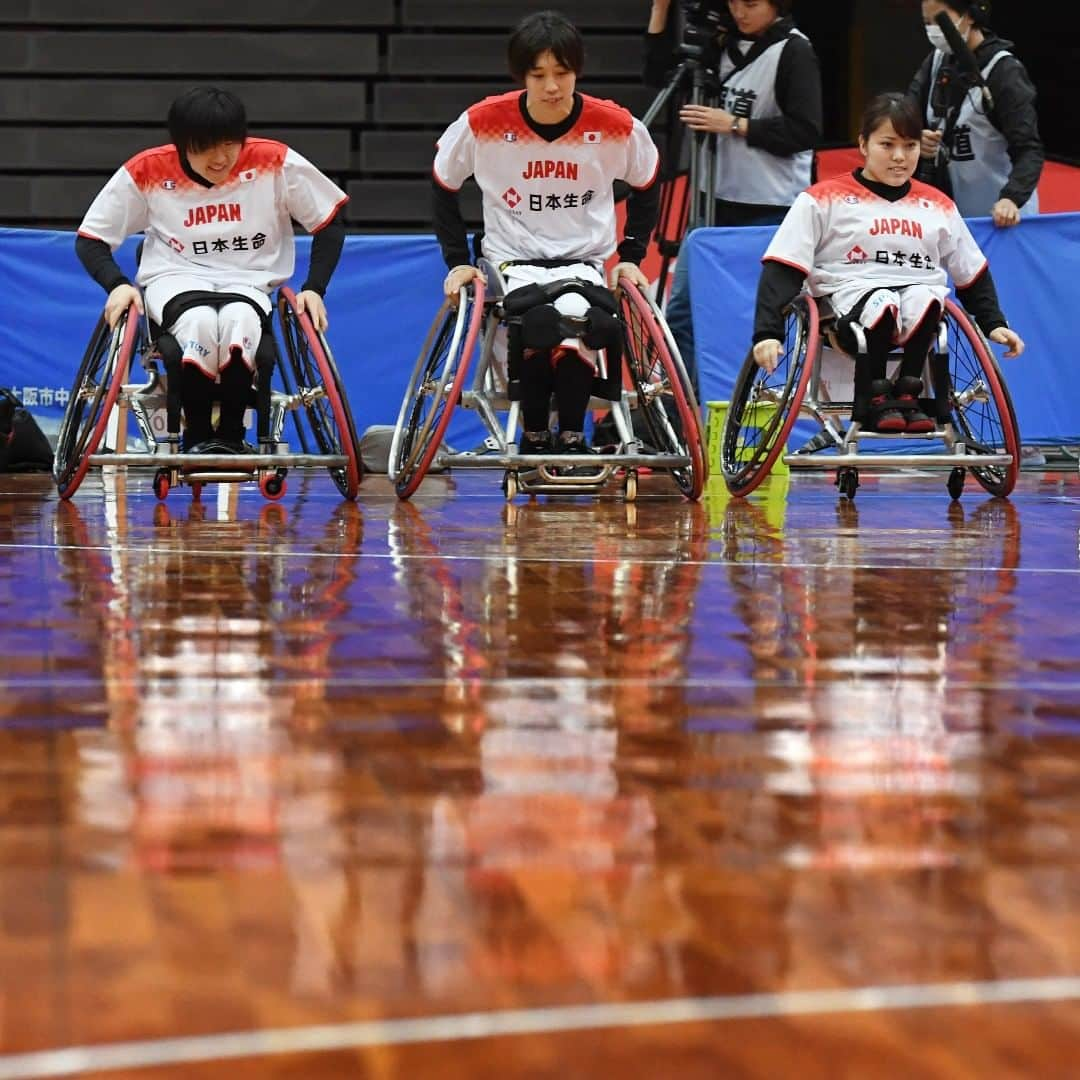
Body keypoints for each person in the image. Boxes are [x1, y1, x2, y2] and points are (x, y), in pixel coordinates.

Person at [432, 10, 659, 461]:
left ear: (578, 70)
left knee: (582, 324)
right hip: (512, 262)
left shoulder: (615, 125)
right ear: (522, 76)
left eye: (563, 72)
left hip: (582, 263)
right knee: (536, 325)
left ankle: (572, 438)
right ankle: (534, 435)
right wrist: (458, 261)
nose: (552, 86)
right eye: (539, 75)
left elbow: (648, 183)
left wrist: (632, 254)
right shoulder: (482, 122)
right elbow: (443, 186)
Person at [75, 86, 348, 452]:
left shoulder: (275, 162)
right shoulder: (147, 170)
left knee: (240, 322)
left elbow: (329, 222)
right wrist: (117, 284)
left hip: (247, 281)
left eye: (230, 144)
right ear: (183, 144)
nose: (221, 158)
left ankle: (232, 437)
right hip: (174, 278)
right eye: (206, 147)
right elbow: (91, 238)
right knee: (200, 323)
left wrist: (315, 287)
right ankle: (198, 436)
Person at [751, 91, 1023, 433]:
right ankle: (876, 397)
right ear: (864, 144)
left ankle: (908, 393)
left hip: (917, 310)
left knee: (928, 298)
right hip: (846, 308)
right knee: (884, 301)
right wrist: (767, 333)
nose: (899, 157)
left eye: (909, 146)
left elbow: (972, 272)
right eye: (887, 145)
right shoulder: (821, 199)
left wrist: (993, 322)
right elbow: (783, 266)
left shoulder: (938, 205)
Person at [644, 0, 822, 395]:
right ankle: (678, 415)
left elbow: (806, 130)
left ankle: (768, 411)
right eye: (734, 2)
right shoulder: (718, 44)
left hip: (773, 209)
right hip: (712, 203)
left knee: (765, 320)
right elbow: (659, 77)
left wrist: (736, 125)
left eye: (752, 3)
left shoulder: (794, 50)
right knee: (683, 313)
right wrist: (659, 13)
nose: (740, 11)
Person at [908, 0, 1043, 226]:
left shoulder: (1004, 72)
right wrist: (916, 138)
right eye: (927, 23)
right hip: (954, 218)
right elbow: (906, 113)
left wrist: (1012, 198)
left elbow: (1029, 149)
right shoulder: (936, 61)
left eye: (941, 21)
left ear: (969, 16)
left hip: (1002, 219)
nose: (933, 30)